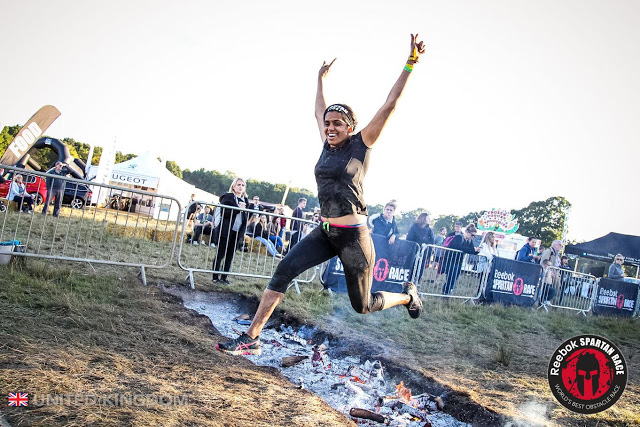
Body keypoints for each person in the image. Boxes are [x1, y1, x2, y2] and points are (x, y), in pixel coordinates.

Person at [217, 34, 427, 355]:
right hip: (326, 231)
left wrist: (410, 62)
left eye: (338, 123)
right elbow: (317, 111)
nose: (330, 127)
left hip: (355, 239)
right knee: (284, 269)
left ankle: (407, 297)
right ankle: (252, 338)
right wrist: (319, 79)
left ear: (350, 126)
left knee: (364, 305)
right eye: (328, 123)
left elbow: (390, 104)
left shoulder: (361, 144)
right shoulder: (326, 143)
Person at [211, 178, 250, 284]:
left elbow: (246, 216)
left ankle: (224, 277)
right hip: (226, 229)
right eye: (238, 185)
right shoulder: (227, 197)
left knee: (230, 255)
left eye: (243, 185)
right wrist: (238, 208)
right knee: (221, 253)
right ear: (233, 186)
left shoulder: (246, 200)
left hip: (237, 231)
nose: (241, 187)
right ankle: (215, 277)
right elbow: (225, 213)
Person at [441, 223, 479, 295]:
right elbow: (460, 247)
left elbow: (470, 250)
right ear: (467, 232)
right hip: (450, 260)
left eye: (474, 236)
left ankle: (448, 291)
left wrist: (476, 251)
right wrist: (473, 250)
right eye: (472, 235)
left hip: (458, 262)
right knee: (451, 277)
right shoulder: (458, 237)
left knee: (455, 277)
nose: (473, 237)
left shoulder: (469, 241)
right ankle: (446, 292)